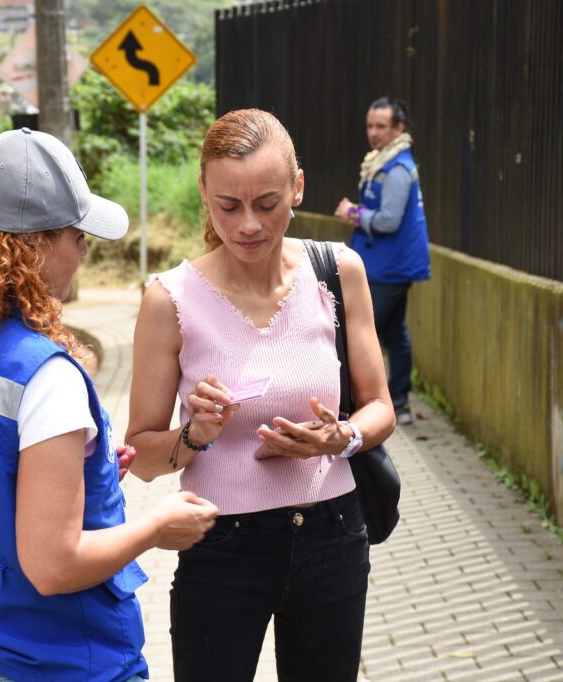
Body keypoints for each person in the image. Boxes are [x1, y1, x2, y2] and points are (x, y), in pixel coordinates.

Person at [0, 128, 218, 681]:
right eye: (78, 235)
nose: (85, 250)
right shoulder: (46, 378)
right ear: (33, 245)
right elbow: (53, 566)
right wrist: (158, 528)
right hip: (54, 658)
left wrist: (79, 478)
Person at [126, 109, 395, 682]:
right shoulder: (168, 300)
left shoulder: (338, 271)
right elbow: (143, 459)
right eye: (228, 206)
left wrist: (339, 437)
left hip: (333, 534)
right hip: (222, 544)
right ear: (204, 191)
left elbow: (380, 408)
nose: (248, 224)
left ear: (298, 186)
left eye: (267, 203)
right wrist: (195, 432)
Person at [334, 97, 431, 425]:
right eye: (369, 126)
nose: (373, 133)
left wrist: (353, 213)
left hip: (391, 267)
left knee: (363, 333)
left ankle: (368, 405)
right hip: (387, 262)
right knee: (394, 334)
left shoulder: (398, 169)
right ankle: (399, 403)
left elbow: (389, 220)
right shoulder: (382, 161)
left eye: (381, 126)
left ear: (398, 128)